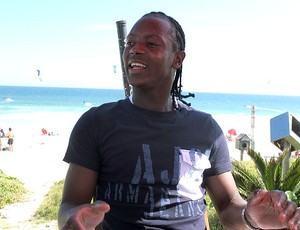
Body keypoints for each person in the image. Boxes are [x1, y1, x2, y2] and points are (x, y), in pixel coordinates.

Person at [58, 12, 299, 230]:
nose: (135, 49)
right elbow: (70, 204)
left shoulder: (206, 128)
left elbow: (227, 205)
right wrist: (73, 218)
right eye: (130, 42)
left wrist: (250, 217)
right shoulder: (96, 123)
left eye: (151, 43)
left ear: (177, 59)